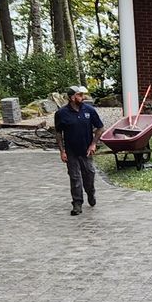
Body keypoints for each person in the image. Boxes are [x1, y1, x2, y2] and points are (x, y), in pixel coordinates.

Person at [54, 86, 104, 215]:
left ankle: (91, 193)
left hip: (86, 150)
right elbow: (58, 133)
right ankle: (77, 204)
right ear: (72, 98)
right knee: (75, 178)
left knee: (89, 174)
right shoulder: (61, 114)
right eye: (80, 95)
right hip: (71, 151)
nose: (83, 97)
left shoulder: (89, 110)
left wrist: (93, 144)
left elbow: (100, 128)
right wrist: (62, 151)